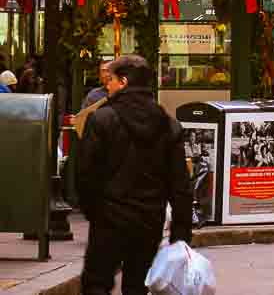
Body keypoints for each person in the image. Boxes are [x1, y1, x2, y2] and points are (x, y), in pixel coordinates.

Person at [77, 55, 192, 295]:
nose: (107, 85)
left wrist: (94, 211)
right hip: (149, 218)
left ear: (124, 82)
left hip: (109, 218)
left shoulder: (102, 119)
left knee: (97, 282)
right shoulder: (168, 124)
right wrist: (181, 230)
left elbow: (85, 172)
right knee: (138, 283)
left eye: (111, 79)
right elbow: (180, 183)